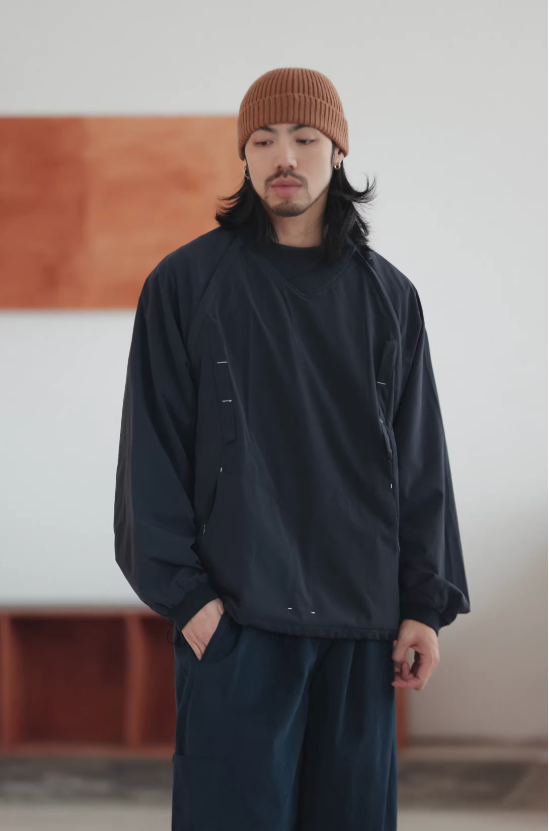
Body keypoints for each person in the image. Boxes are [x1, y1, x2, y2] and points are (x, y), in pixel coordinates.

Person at [114, 66, 470, 830]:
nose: (284, 156)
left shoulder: (389, 297)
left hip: (360, 630)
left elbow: (417, 460)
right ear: (243, 156)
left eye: (305, 138)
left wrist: (423, 605)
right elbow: (150, 455)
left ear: (337, 153)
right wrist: (192, 604)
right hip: (236, 625)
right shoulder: (183, 284)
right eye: (264, 140)